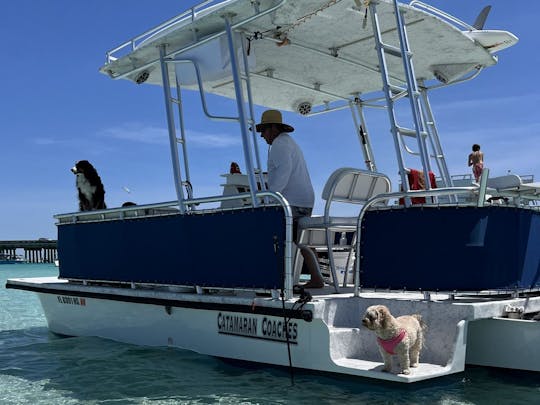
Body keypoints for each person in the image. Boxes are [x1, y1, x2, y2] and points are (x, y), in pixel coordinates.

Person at [255, 109, 324, 288]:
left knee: (271, 236)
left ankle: (274, 281)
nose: (262, 135)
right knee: (303, 240)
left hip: (291, 202)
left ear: (272, 128)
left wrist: (269, 198)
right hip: (305, 200)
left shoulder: (278, 144)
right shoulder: (289, 142)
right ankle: (317, 278)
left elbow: (282, 175)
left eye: (263, 130)